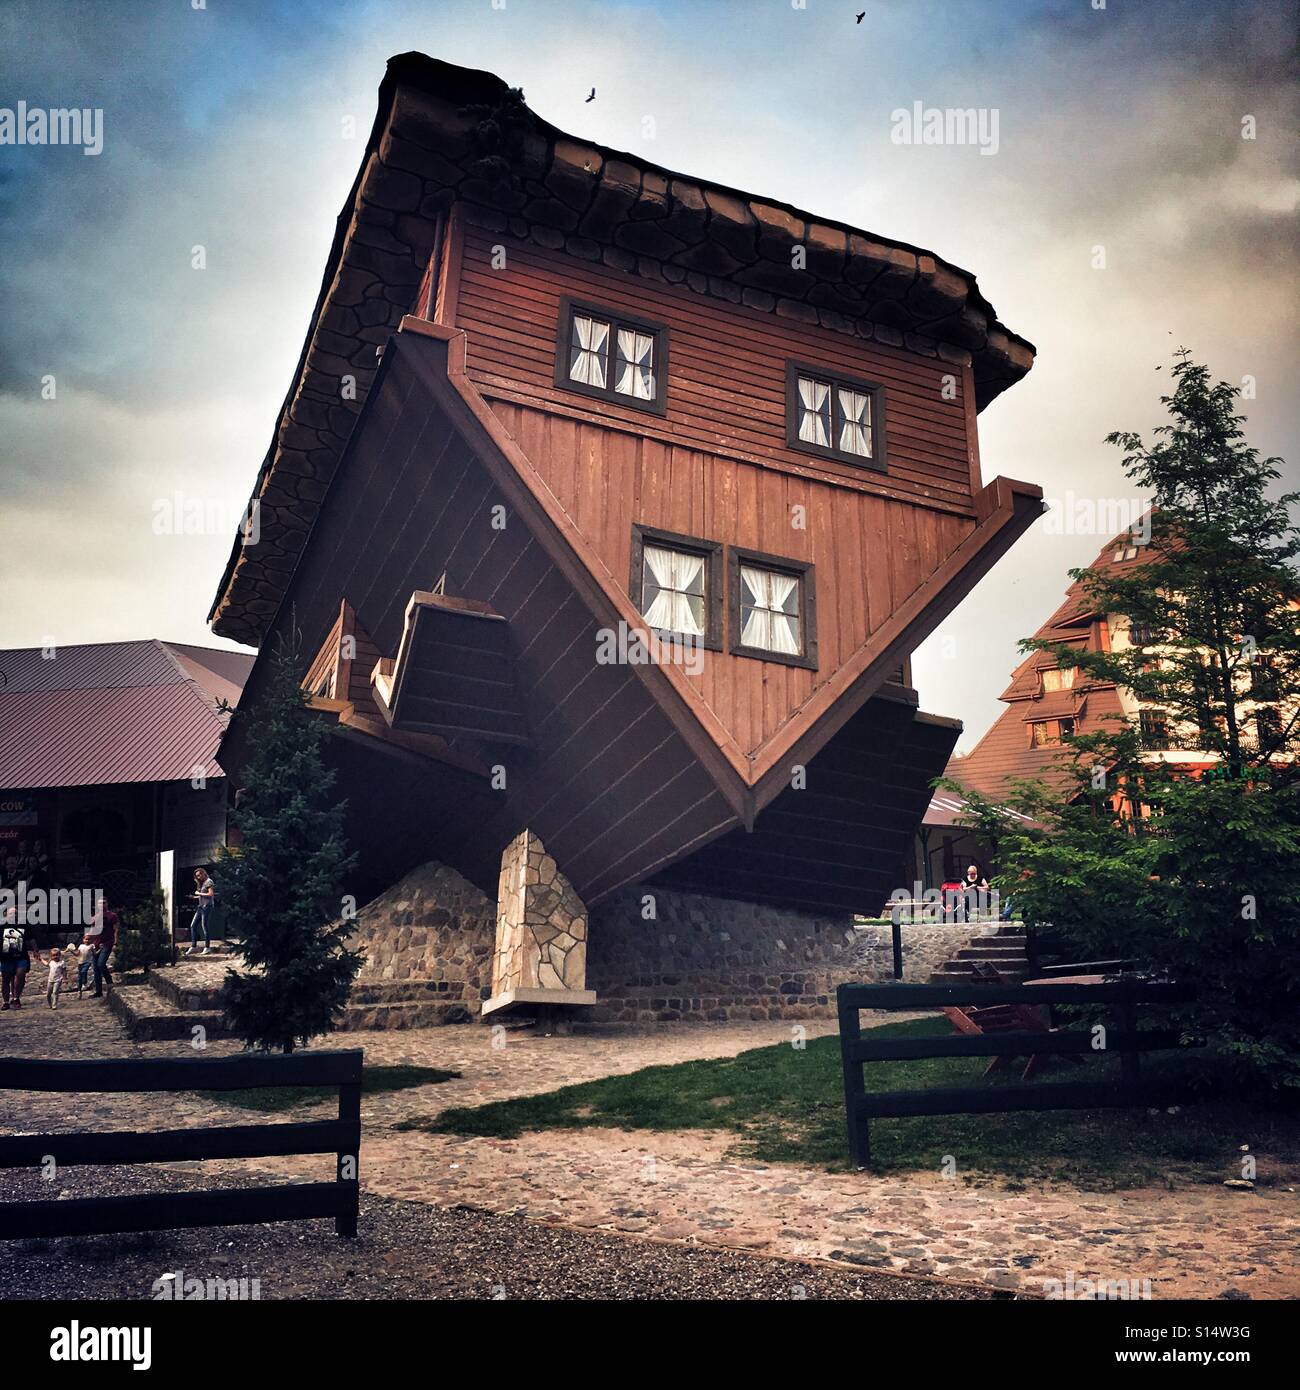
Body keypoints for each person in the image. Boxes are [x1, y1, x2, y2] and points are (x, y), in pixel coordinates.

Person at [87, 898, 118, 998]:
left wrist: (115, 943)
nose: (102, 905)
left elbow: (116, 929)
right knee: (96, 968)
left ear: (107, 904)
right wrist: (89, 941)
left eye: (103, 903)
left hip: (107, 943)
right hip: (96, 944)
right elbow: (92, 929)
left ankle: (110, 984)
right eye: (100, 903)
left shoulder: (112, 916)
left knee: (101, 964)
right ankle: (98, 991)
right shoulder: (95, 917)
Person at [1, 907, 31, 1010]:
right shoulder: (1, 926)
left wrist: (36, 950)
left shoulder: (23, 925)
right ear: (6, 915)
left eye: (15, 914)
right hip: (6, 957)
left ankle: (16, 998)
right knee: (5, 979)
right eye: (11, 914)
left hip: (21, 956)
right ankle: (5, 1001)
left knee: (21, 975)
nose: (13, 916)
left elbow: (31, 938)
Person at [187, 868, 215, 955]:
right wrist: (194, 897)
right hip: (201, 907)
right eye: (197, 876)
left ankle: (207, 947)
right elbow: (203, 896)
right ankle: (194, 946)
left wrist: (199, 894)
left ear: (203, 873)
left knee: (204, 926)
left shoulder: (209, 881)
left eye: (199, 875)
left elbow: (210, 894)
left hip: (207, 907)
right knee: (193, 925)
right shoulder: (202, 883)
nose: (198, 877)